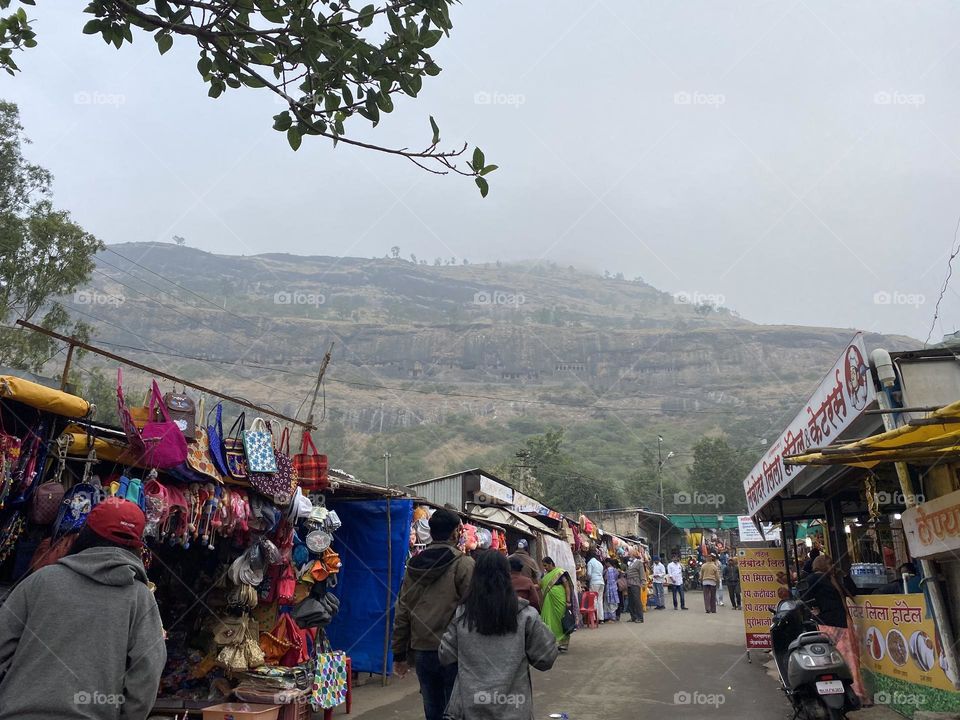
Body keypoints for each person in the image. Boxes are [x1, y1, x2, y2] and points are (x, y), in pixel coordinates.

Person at [0, 497, 165, 720]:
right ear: (137, 546)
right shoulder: (140, 598)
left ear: (85, 534)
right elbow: (147, 672)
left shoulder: (40, 581)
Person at [439, 550, 558, 720]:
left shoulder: (462, 615)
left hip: (472, 708)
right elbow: (546, 658)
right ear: (507, 575)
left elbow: (445, 655)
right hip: (515, 708)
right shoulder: (526, 615)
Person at [393, 508, 475, 720]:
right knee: (456, 710)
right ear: (456, 532)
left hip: (422, 650)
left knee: (432, 709)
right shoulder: (464, 564)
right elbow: (473, 610)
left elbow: (402, 609)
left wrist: (399, 654)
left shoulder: (413, 565)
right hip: (455, 650)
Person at [801, 555, 867, 703]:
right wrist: (815, 609)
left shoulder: (834, 579)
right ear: (822, 564)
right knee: (836, 659)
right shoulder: (814, 578)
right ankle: (836, 693)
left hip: (843, 622)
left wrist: (844, 575)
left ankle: (855, 694)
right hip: (828, 624)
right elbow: (803, 595)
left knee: (850, 660)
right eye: (830, 563)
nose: (832, 565)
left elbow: (852, 592)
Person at [539, 557, 574, 652]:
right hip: (549, 601)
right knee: (547, 620)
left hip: (560, 600)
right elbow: (540, 586)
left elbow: (567, 587)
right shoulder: (545, 576)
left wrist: (568, 601)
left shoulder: (560, 573)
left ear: (551, 563)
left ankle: (564, 644)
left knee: (562, 620)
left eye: (546, 565)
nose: (545, 568)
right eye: (543, 566)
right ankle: (550, 642)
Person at [625, 553, 646, 622]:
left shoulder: (639, 563)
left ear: (634, 555)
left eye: (630, 555)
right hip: (629, 584)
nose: (629, 556)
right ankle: (633, 617)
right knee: (631, 601)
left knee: (637, 601)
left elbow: (642, 573)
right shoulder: (629, 563)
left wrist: (643, 583)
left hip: (636, 584)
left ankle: (640, 618)